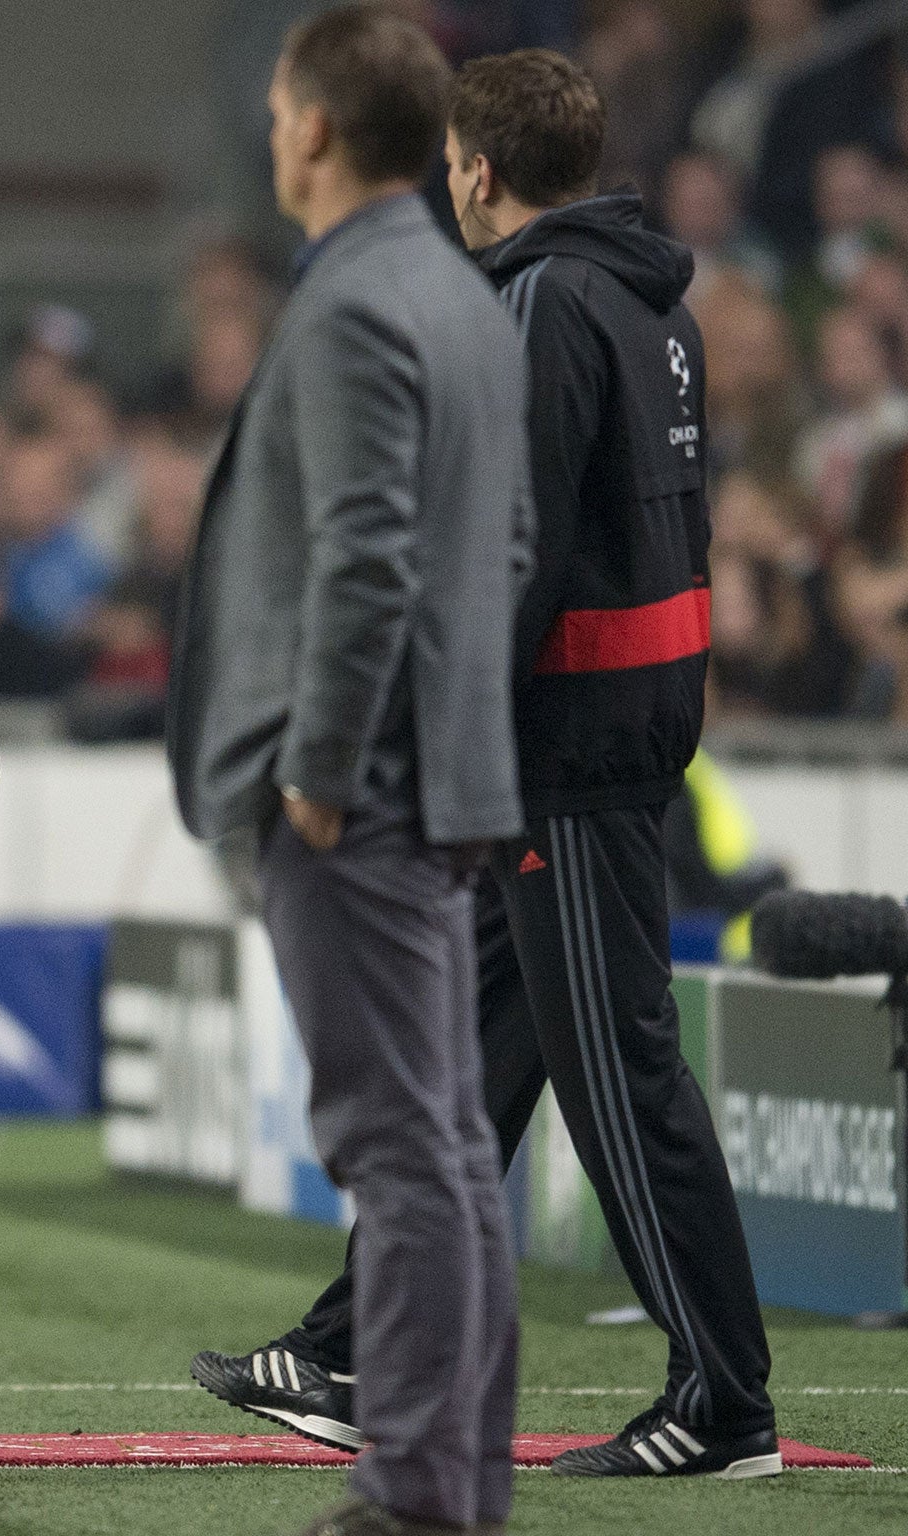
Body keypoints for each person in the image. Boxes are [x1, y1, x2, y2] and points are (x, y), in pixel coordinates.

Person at [198, 47, 785, 1485]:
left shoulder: (535, 304)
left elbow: (497, 552)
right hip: (614, 724)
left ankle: (723, 1401)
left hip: (564, 750)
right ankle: (350, 1349)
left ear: (472, 168)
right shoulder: (652, 303)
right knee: (467, 1051)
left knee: (618, 1073)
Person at [166, 11, 529, 1534]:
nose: (268, 135)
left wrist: (319, 768)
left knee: (404, 1153)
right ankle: (452, 1483)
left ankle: (417, 1498)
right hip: (432, 774)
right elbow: (500, 552)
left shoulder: (354, 301)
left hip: (354, 794)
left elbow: (366, 556)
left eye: (273, 112)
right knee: (442, 1145)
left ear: (314, 128)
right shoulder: (463, 297)